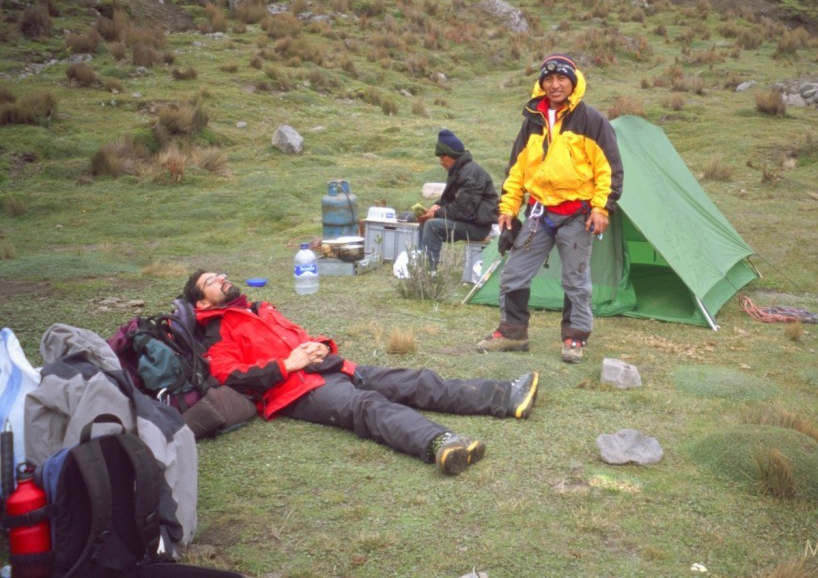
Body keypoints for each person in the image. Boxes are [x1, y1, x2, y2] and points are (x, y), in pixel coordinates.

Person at [183, 270, 539, 475]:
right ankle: (442, 444)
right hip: (296, 392)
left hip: (330, 368)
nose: (223, 279)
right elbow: (229, 376)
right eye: (213, 281)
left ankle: (505, 397)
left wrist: (320, 346)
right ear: (201, 302)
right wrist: (288, 364)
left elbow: (299, 338)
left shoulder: (260, 309)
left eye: (222, 275)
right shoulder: (216, 331)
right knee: (367, 407)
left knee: (414, 381)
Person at [477, 54, 623, 364]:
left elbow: (608, 169)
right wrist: (508, 207)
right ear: (541, 84)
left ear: (573, 82)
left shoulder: (591, 120)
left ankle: (574, 338)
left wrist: (602, 208)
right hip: (538, 214)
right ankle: (513, 333)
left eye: (561, 79)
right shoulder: (533, 119)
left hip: (577, 216)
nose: (554, 85)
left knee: (575, 279)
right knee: (514, 272)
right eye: (548, 79)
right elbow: (517, 169)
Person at [418, 129, 499, 270]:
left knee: (432, 225)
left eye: (443, 157)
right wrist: (436, 206)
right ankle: (421, 265)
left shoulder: (470, 174)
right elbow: (448, 199)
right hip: (467, 222)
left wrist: (437, 214)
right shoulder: (458, 171)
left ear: (452, 155)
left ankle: (428, 274)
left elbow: (464, 210)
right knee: (425, 222)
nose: (441, 162)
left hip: (478, 227)